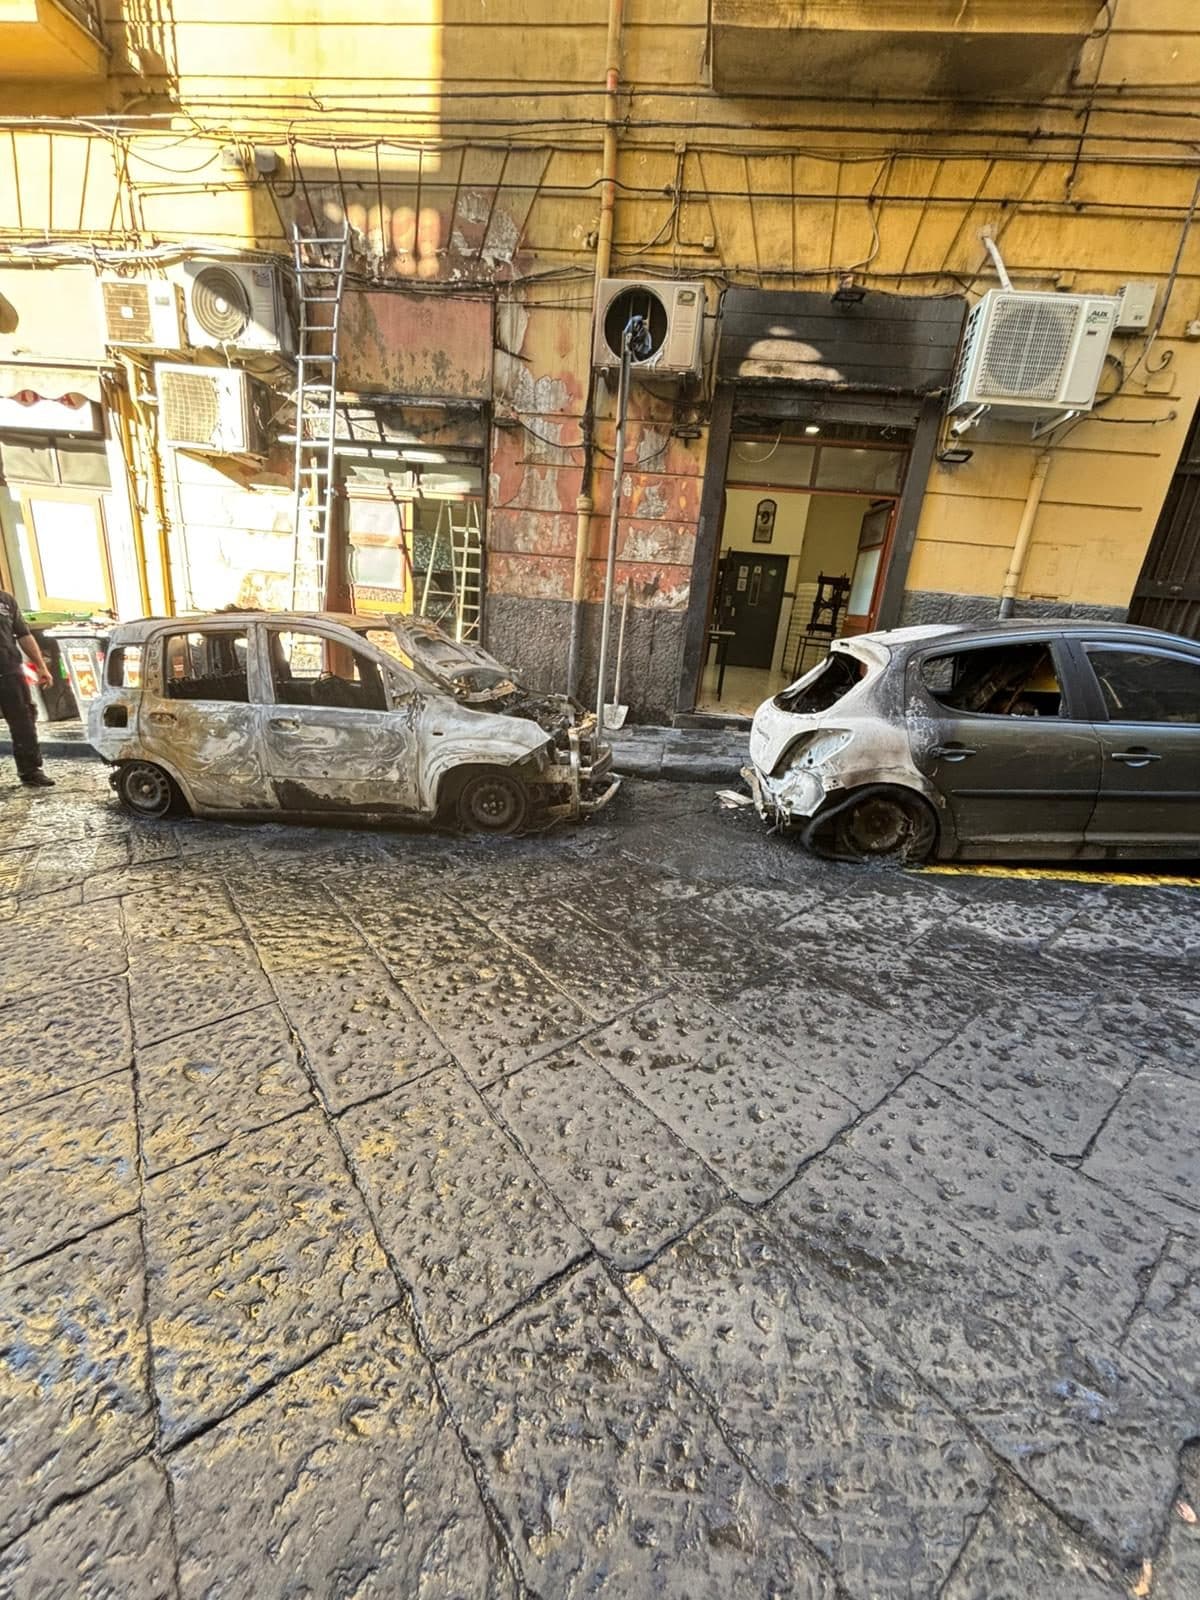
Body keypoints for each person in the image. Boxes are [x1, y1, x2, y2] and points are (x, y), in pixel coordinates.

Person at [0, 591, 55, 788]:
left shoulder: (6, 601)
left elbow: (24, 634)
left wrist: (41, 665)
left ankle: (30, 771)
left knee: (24, 721)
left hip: (10, 673)